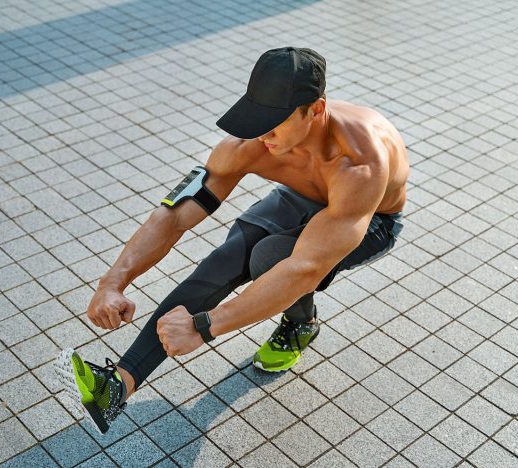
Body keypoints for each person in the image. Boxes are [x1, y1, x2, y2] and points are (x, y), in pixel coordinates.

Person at [54, 47, 408, 434]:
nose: (263, 134)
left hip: (370, 217)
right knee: (224, 261)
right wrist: (113, 281)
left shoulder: (360, 165)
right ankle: (118, 385)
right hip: (297, 196)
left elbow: (305, 268)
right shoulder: (250, 143)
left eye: (275, 122)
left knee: (271, 257)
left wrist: (205, 326)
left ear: (316, 110)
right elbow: (174, 214)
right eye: (259, 118)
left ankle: (300, 325)